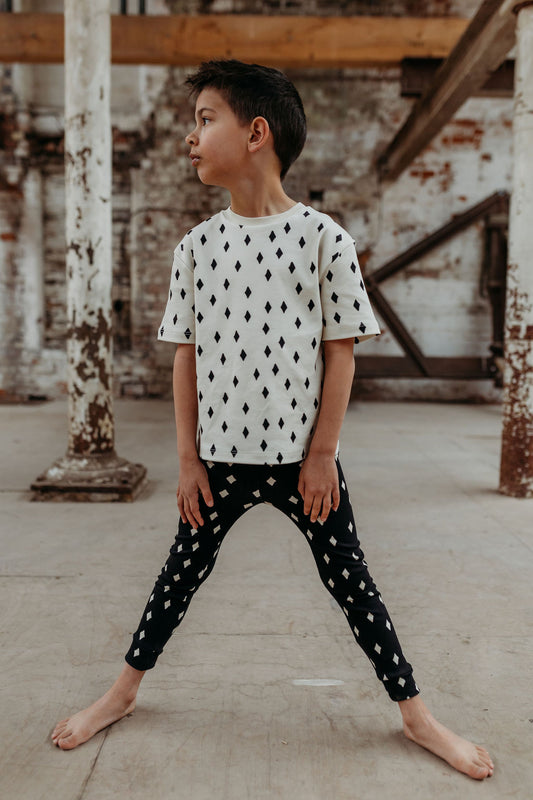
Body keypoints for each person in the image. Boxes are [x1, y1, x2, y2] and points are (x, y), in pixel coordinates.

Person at [52, 60, 493, 780]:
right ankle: (122, 693)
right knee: (178, 577)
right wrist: (188, 460)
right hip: (218, 462)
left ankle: (416, 716)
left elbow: (341, 352)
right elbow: (186, 358)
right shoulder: (197, 247)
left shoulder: (324, 239)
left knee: (352, 584)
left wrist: (321, 455)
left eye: (205, 120)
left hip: (302, 463)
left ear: (256, 133)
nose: (191, 137)